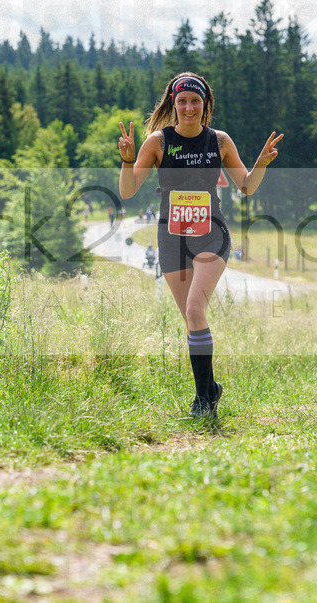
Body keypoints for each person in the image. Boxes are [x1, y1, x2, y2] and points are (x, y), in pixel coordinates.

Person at [118, 72, 283, 420]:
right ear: (174, 104)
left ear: (205, 105)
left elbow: (246, 186)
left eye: (195, 101)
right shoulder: (158, 142)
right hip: (172, 238)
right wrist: (128, 160)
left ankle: (202, 402)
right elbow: (128, 191)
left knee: (195, 309)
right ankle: (211, 389)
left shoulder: (219, 141)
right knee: (192, 319)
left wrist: (261, 164)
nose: (189, 107)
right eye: (183, 101)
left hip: (211, 234)